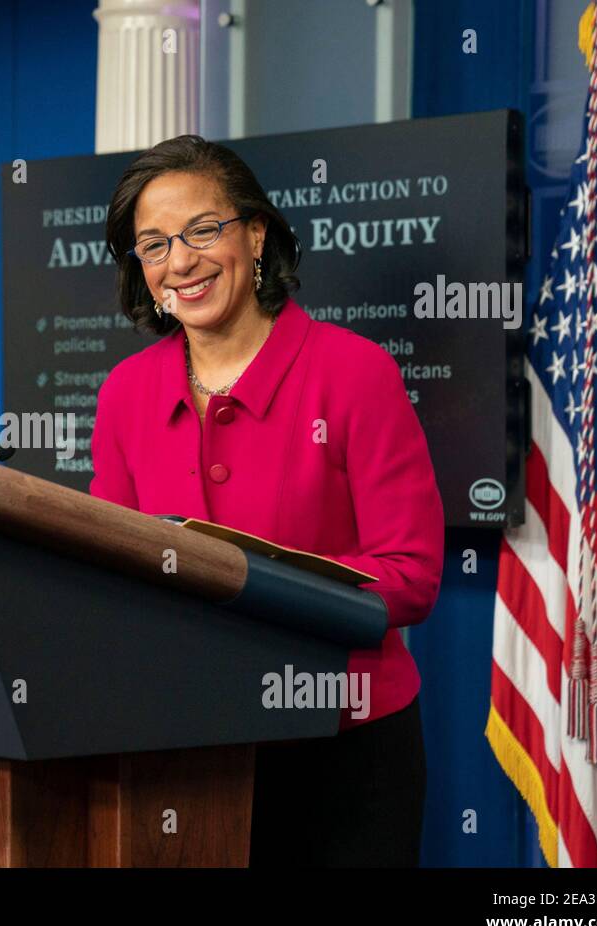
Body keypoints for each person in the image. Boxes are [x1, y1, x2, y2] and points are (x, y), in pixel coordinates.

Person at [91, 135, 445, 866]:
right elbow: (110, 565)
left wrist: (253, 585)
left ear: (255, 234)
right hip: (184, 744)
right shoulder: (126, 392)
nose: (179, 261)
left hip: (343, 749)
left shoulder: (355, 374)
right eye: (153, 245)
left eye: (201, 229)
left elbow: (411, 573)